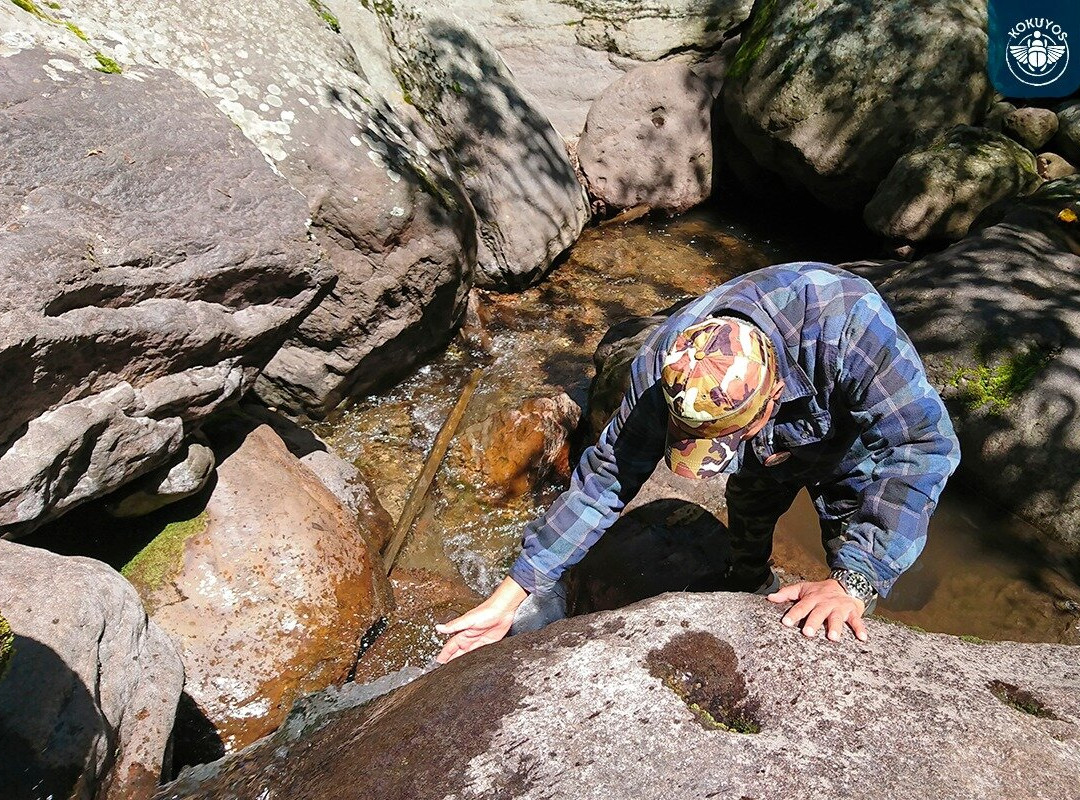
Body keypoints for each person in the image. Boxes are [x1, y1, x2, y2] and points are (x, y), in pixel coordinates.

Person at [436, 263, 960, 663]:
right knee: (749, 506)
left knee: (852, 555)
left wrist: (855, 580)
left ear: (774, 394)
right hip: (769, 451)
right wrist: (511, 594)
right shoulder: (666, 365)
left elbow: (924, 446)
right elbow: (604, 481)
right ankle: (751, 582)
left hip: (848, 439)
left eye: (729, 439)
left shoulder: (848, 323)